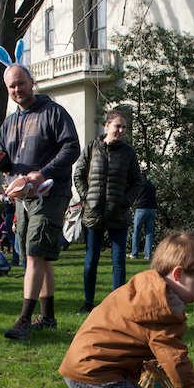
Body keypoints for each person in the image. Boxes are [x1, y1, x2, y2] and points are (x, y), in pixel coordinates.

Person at [59, 230, 194, 388]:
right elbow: (176, 361)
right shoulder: (162, 311)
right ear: (178, 274)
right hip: (95, 372)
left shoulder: (145, 287)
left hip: (85, 362)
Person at [0, 61, 80, 339]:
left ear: (32, 82)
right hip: (23, 197)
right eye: (11, 86)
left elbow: (71, 147)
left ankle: (25, 320)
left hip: (50, 192)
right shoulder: (9, 122)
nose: (17, 89)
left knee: (34, 254)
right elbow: (7, 163)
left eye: (20, 82)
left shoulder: (53, 113)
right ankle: (48, 317)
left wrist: (43, 173)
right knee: (39, 258)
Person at [73, 111, 142, 314]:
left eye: (124, 127)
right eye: (117, 126)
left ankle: (118, 304)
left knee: (118, 260)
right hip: (93, 212)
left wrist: (126, 200)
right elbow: (78, 175)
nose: (120, 131)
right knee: (91, 259)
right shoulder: (92, 148)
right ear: (107, 126)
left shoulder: (128, 153)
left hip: (118, 213)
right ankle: (88, 302)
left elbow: (137, 181)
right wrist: (87, 197)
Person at [130, 173, 158, 260]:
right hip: (152, 209)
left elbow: (134, 194)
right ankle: (148, 255)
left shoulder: (139, 184)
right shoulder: (151, 184)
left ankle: (134, 254)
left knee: (136, 232)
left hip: (141, 209)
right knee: (149, 233)